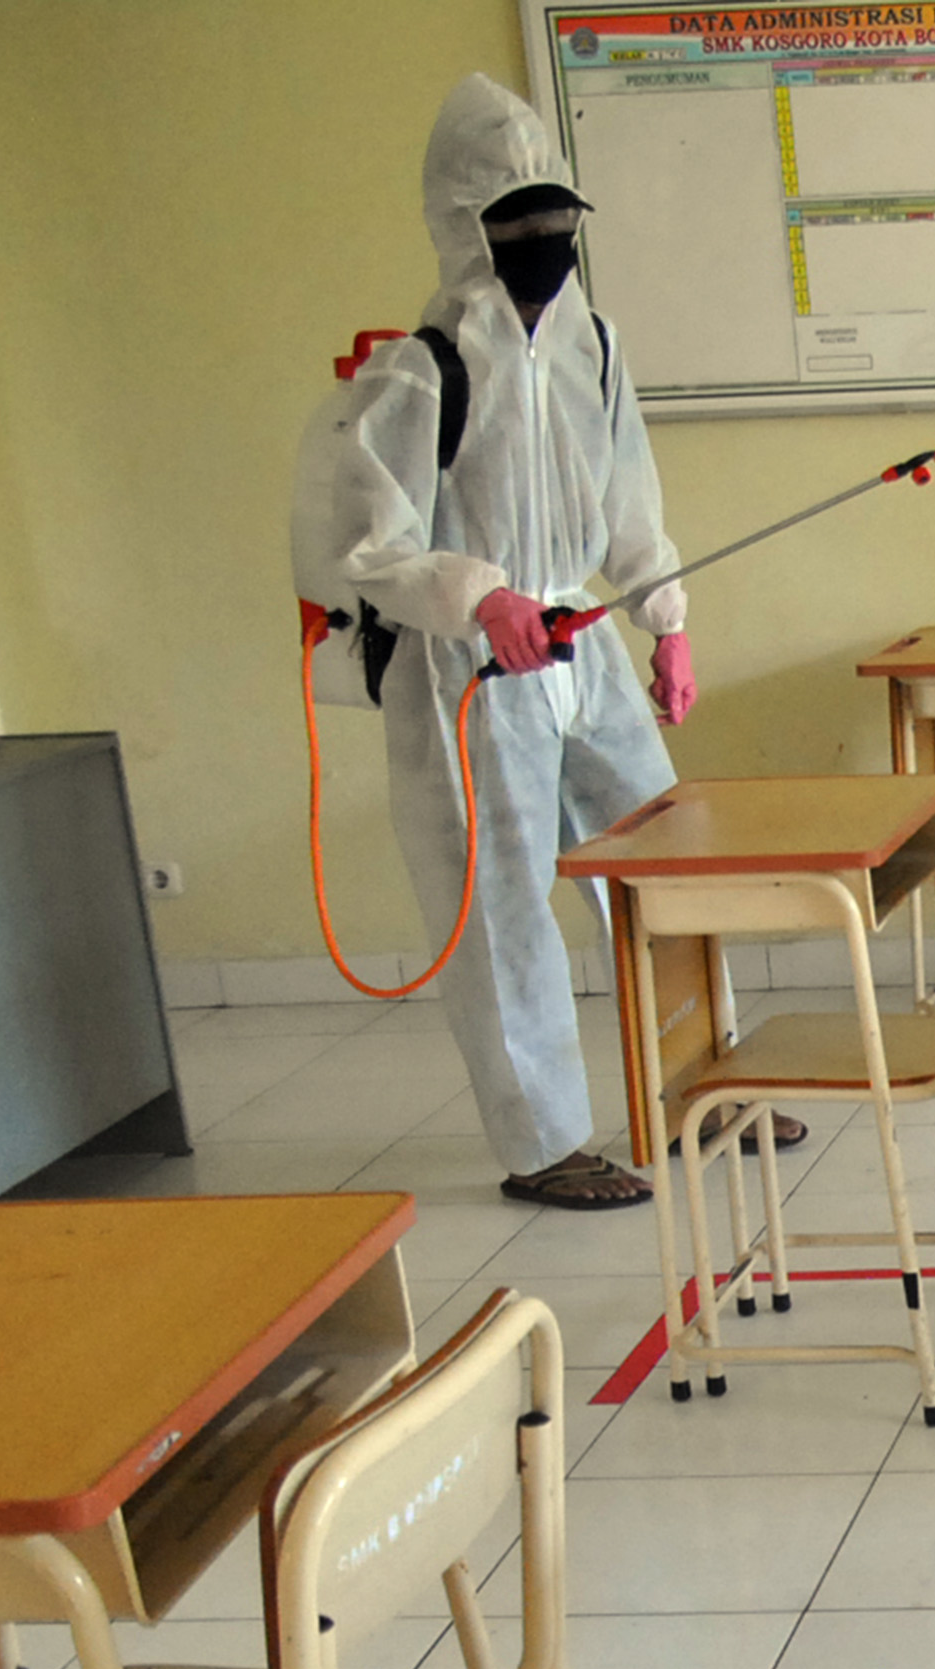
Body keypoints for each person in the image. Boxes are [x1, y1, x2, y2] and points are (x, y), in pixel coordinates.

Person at [325, 74, 697, 1208]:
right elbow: (368, 544)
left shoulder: (596, 347)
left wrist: (665, 619)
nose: (543, 241)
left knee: (667, 866)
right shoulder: (417, 369)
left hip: (578, 641)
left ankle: (695, 1084)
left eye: (556, 217)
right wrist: (480, 596)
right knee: (500, 905)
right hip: (471, 668)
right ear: (465, 228)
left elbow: (629, 495)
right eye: (515, 220)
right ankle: (541, 1142)